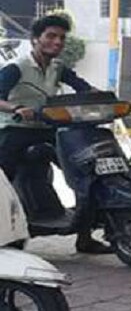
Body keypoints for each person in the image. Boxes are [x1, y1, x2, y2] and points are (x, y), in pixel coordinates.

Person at [0, 14, 111, 254]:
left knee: (85, 170)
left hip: (50, 129)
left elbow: (83, 88)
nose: (57, 42)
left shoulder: (58, 67)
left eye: (61, 37)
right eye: (51, 36)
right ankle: (7, 232)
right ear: (35, 39)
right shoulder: (16, 68)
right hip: (16, 129)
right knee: (3, 180)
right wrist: (17, 108)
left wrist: (107, 99)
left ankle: (85, 237)